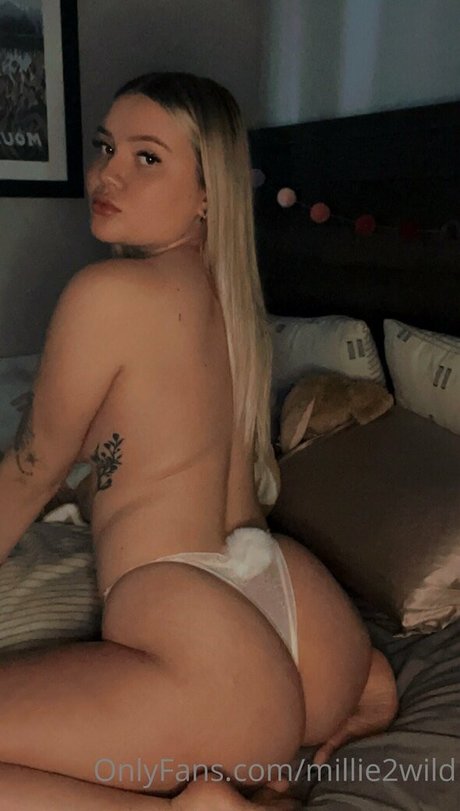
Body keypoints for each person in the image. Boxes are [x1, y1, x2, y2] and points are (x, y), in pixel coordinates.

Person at [0, 72, 397, 810]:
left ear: (208, 192)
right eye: (106, 147)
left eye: (147, 157)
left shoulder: (106, 295)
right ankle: (356, 694)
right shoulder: (233, 305)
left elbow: (30, 470)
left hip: (210, 653)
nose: (107, 173)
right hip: (307, 628)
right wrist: (366, 685)